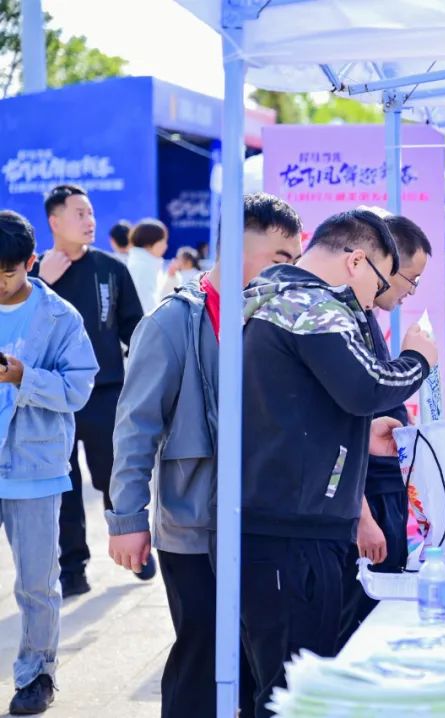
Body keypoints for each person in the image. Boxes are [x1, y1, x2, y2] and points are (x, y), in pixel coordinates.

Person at [107, 193, 303, 718]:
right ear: (235, 246)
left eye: (295, 259)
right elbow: (135, 428)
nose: (290, 271)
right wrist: (127, 519)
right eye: (280, 257)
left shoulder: (284, 318)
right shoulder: (172, 323)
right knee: (201, 654)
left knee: (257, 661)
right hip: (193, 525)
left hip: (267, 520)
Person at [235, 208, 436, 716]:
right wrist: (419, 359)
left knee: (290, 681)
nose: (372, 301)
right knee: (294, 689)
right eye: (380, 282)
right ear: (356, 261)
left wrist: (360, 436)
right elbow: (367, 387)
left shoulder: (277, 297)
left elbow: (302, 407)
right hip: (292, 527)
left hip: (285, 518)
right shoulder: (311, 306)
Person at [0, 210, 98, 715]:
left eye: (8, 272)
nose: (0, 282)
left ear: (30, 262)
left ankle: (37, 675)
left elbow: (78, 389)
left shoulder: (60, 318)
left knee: (37, 583)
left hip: (34, 468)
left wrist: (24, 377)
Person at [32, 184, 145, 598]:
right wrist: (41, 282)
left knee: (115, 476)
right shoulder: (33, 274)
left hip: (105, 393)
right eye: (79, 213)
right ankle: (72, 568)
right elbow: (17, 327)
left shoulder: (110, 268)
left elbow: (135, 328)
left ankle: (134, 545)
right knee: (63, 486)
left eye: (91, 212)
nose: (90, 221)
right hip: (52, 398)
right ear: (54, 221)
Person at [338, 213, 434, 649]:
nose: (411, 290)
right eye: (410, 278)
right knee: (357, 624)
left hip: (382, 486)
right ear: (380, 263)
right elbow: (336, 425)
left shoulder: (364, 317)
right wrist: (362, 517)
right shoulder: (337, 322)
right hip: (362, 497)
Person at [126, 219, 169, 315]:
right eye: (164, 241)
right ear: (152, 242)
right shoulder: (143, 267)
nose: (166, 246)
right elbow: (148, 308)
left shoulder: (145, 263)